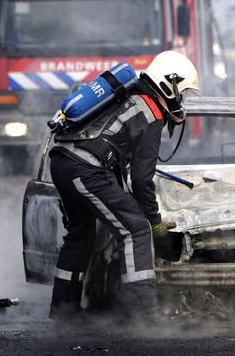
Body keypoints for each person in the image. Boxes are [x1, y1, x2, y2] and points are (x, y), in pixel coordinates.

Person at [48, 51, 199, 322]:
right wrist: (154, 222)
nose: (181, 99)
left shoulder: (129, 97)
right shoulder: (151, 112)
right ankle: (143, 314)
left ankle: (63, 310)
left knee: (80, 234)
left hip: (62, 162)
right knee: (136, 230)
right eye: (182, 92)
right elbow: (141, 180)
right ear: (169, 84)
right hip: (85, 169)